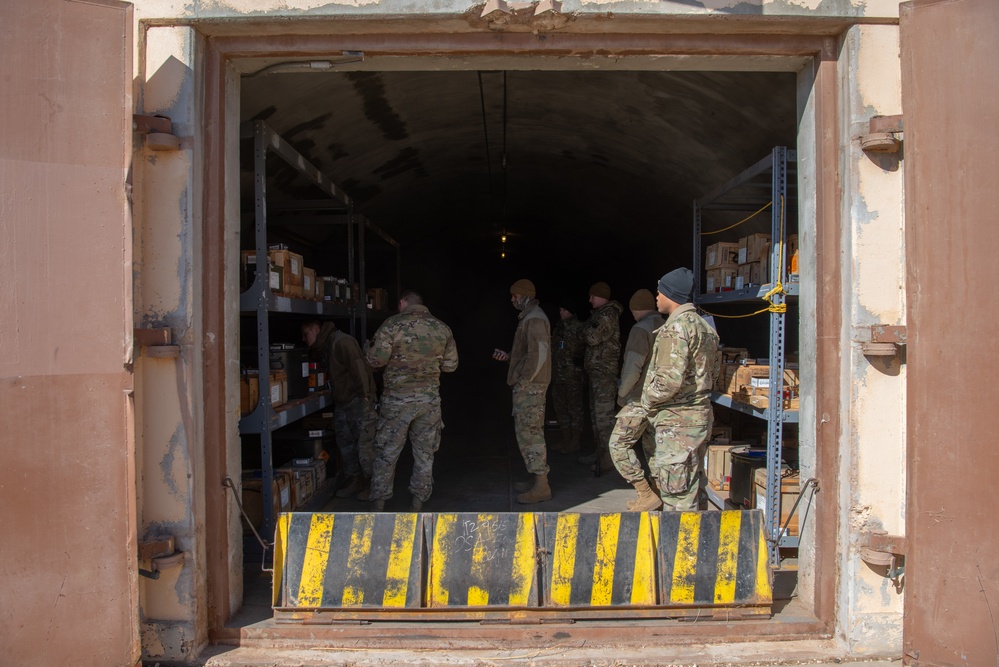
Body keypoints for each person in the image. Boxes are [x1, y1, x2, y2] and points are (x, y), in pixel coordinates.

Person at [365, 290, 459, 511]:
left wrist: (368, 348)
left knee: (387, 453)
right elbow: (450, 366)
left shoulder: (392, 325)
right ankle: (418, 502)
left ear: (402, 303)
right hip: (428, 403)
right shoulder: (442, 328)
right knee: (425, 454)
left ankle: (379, 503)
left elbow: (376, 360)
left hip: (397, 402)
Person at [641, 268, 720, 511]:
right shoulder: (706, 327)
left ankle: (680, 548)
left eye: (660, 291)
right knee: (694, 487)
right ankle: (699, 545)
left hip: (678, 426)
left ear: (671, 295)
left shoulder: (676, 329)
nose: (656, 296)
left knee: (677, 500)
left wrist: (646, 402)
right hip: (699, 418)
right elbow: (714, 373)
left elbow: (667, 381)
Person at [491, 279, 553, 504]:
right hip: (531, 384)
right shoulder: (530, 316)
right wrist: (510, 358)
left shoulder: (534, 317)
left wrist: (525, 380)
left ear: (525, 295)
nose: (512, 299)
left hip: (531, 387)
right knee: (529, 431)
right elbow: (530, 353)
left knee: (530, 432)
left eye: (515, 295)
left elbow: (540, 354)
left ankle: (541, 484)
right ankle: (536, 479)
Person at [301, 320, 377, 499]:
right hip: (343, 403)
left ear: (316, 329)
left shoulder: (342, 342)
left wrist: (366, 398)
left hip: (358, 401)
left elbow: (360, 369)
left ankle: (373, 485)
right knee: (346, 444)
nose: (303, 339)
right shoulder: (324, 346)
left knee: (365, 446)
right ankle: (354, 480)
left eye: (305, 334)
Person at [607, 290, 665, 507]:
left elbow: (632, 368)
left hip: (640, 399)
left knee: (618, 445)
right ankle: (658, 493)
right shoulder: (666, 326)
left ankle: (645, 493)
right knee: (653, 448)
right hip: (660, 400)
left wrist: (622, 394)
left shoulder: (641, 329)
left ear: (636, 308)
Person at [580, 281, 623, 474]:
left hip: (604, 373)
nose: (590, 300)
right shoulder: (599, 315)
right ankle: (600, 452)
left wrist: (583, 331)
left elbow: (591, 337)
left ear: (602, 297)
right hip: (596, 373)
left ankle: (608, 458)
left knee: (604, 418)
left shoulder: (608, 315)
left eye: (592, 296)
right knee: (596, 416)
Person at [550, 298, 587, 454]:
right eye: (560, 310)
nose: (561, 312)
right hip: (558, 375)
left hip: (573, 376)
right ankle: (566, 438)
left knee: (575, 408)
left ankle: (575, 441)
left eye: (564, 310)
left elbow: (585, 349)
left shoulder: (580, 328)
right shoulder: (558, 328)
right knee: (560, 408)